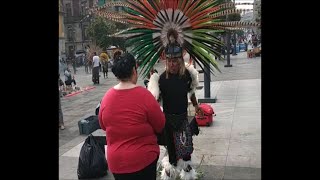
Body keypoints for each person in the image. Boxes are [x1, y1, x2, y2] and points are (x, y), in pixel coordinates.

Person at [98, 53, 165, 180]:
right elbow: (160, 124)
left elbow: (103, 125)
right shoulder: (145, 96)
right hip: (144, 160)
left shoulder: (107, 97)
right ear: (134, 70)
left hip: (117, 163)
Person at [147, 31, 203, 180]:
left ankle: (188, 175)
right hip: (168, 122)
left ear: (180, 60)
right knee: (171, 155)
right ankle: (169, 175)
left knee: (186, 153)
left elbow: (191, 92)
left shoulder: (186, 76)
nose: (172, 64)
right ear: (166, 61)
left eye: (175, 61)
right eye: (170, 61)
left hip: (183, 120)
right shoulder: (161, 80)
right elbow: (154, 102)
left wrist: (197, 107)